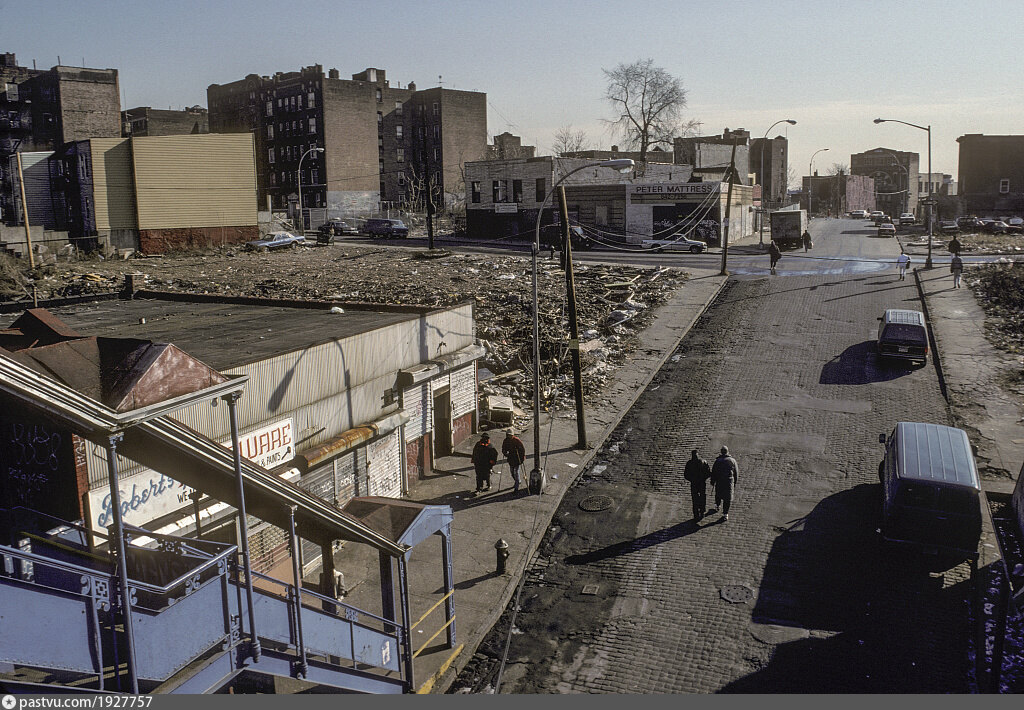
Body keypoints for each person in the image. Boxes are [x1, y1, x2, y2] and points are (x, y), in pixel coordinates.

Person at [711, 446, 739, 522]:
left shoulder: (718, 461)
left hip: (720, 481)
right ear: (727, 452)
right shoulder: (732, 461)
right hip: (728, 482)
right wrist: (735, 482)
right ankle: (725, 513)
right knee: (727, 498)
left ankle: (717, 505)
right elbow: (736, 473)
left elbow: (714, 472)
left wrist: (712, 481)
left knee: (718, 494)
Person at [683, 449, 712, 521]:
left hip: (694, 483)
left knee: (695, 498)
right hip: (702, 483)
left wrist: (692, 480)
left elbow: (686, 475)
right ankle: (702, 511)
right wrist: (704, 478)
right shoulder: (703, 462)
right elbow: (708, 473)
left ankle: (696, 514)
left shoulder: (689, 463)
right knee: (703, 496)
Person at [501, 429, 526, 494]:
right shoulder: (506, 440)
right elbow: (503, 448)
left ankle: (516, 488)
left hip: (517, 458)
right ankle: (518, 481)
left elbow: (522, 450)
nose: (509, 436)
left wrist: (522, 459)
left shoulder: (517, 441)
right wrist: (505, 453)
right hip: (511, 458)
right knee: (512, 472)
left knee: (516, 473)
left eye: (510, 435)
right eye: (508, 435)